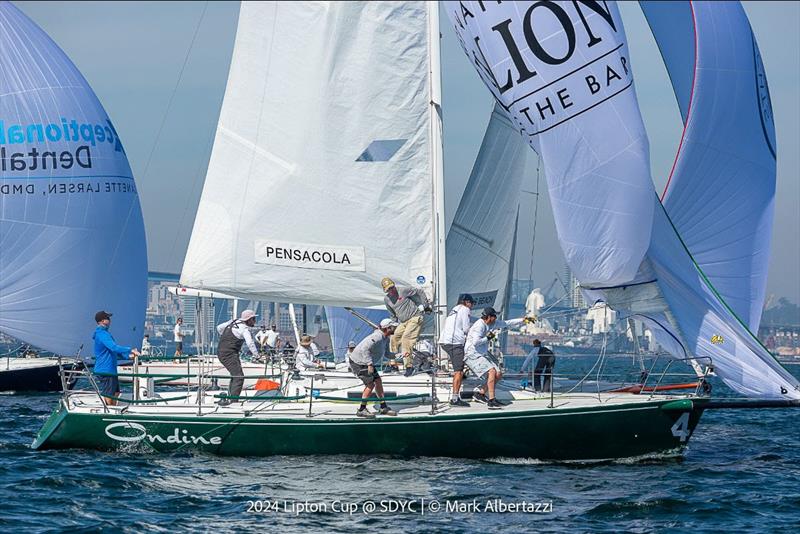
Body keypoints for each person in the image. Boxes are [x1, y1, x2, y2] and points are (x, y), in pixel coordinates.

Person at [464, 307, 532, 409]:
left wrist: (524, 320)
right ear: (489, 317)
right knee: (492, 371)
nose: (496, 318)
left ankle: (480, 393)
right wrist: (488, 338)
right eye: (494, 316)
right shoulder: (479, 325)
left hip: (482, 353)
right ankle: (492, 400)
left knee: (499, 374)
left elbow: (507, 323)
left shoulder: (493, 323)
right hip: (472, 353)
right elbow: (475, 343)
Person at [349, 318, 399, 418]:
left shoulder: (385, 338)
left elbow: (387, 354)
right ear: (388, 328)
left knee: (378, 382)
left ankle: (383, 407)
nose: (395, 328)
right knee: (370, 384)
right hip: (358, 362)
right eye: (394, 327)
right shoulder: (377, 337)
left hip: (366, 362)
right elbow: (365, 349)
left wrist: (399, 356)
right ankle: (361, 410)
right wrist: (370, 364)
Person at [381, 277, 431, 376]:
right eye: (388, 289)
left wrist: (425, 305)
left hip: (415, 317)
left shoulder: (403, 290)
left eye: (392, 287)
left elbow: (419, 291)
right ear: (385, 290)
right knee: (394, 338)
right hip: (403, 322)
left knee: (406, 340)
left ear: (394, 285)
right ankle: (395, 359)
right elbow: (392, 315)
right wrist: (393, 326)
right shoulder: (386, 299)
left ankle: (409, 366)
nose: (391, 290)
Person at [92, 310, 139, 406]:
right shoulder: (102, 334)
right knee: (110, 394)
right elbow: (113, 347)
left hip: (110, 369)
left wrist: (127, 356)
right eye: (107, 318)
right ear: (101, 321)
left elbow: (112, 352)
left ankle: (113, 408)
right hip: (106, 369)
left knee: (116, 392)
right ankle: (110, 410)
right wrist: (130, 350)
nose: (109, 320)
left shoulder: (104, 333)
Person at [215, 309, 260, 406]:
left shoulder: (233, 321)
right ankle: (233, 401)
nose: (255, 321)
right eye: (254, 319)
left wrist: (225, 337)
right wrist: (257, 356)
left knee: (235, 375)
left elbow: (219, 328)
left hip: (222, 352)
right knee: (239, 377)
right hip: (229, 354)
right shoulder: (244, 328)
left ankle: (231, 397)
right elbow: (250, 343)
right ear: (249, 319)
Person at [438, 294, 475, 407]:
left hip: (444, 341)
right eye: (472, 303)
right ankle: (454, 399)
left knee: (460, 367)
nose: (472, 306)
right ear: (467, 302)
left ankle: (461, 375)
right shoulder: (465, 309)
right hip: (454, 343)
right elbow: (466, 328)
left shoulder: (454, 309)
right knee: (458, 371)